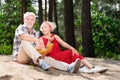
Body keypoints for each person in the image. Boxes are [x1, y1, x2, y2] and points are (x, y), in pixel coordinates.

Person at [12, 12, 81, 73]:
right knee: (25, 41)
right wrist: (36, 40)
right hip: (21, 57)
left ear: (34, 21)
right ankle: (40, 61)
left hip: (32, 57)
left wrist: (42, 48)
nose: (30, 21)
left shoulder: (36, 33)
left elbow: (37, 48)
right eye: (28, 19)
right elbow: (23, 37)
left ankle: (68, 67)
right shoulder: (20, 28)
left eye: (32, 19)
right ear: (24, 20)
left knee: (48, 59)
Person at [38, 21, 107, 73]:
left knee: (73, 52)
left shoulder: (55, 36)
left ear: (50, 28)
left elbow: (63, 43)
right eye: (42, 28)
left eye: (45, 27)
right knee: (70, 52)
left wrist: (72, 47)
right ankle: (90, 67)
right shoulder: (40, 39)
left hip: (60, 54)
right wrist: (49, 41)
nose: (43, 29)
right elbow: (45, 51)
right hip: (52, 57)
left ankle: (87, 67)